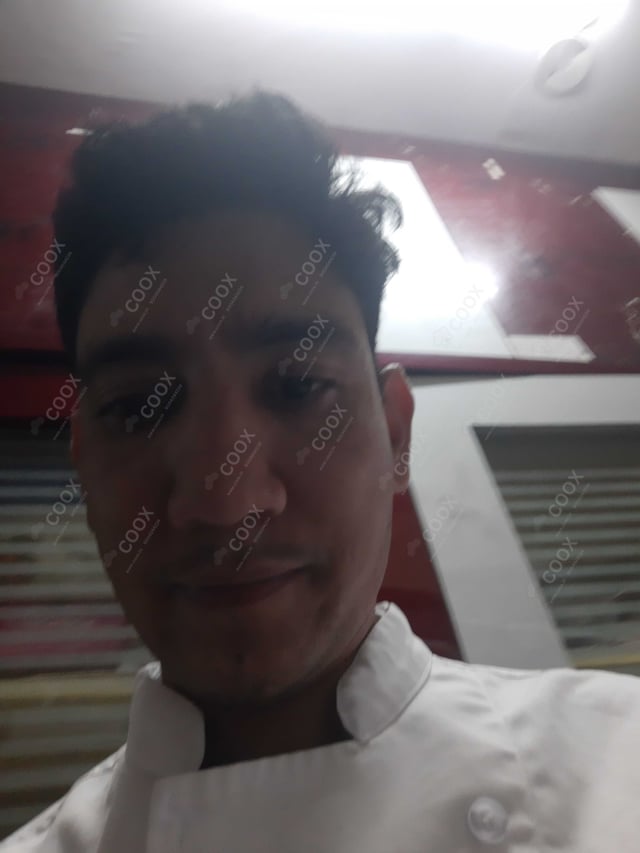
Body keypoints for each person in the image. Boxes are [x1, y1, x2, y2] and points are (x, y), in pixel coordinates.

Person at [3, 92, 640, 853]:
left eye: (299, 384)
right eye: (139, 407)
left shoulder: (617, 767)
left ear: (396, 434)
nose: (227, 501)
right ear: (83, 462)